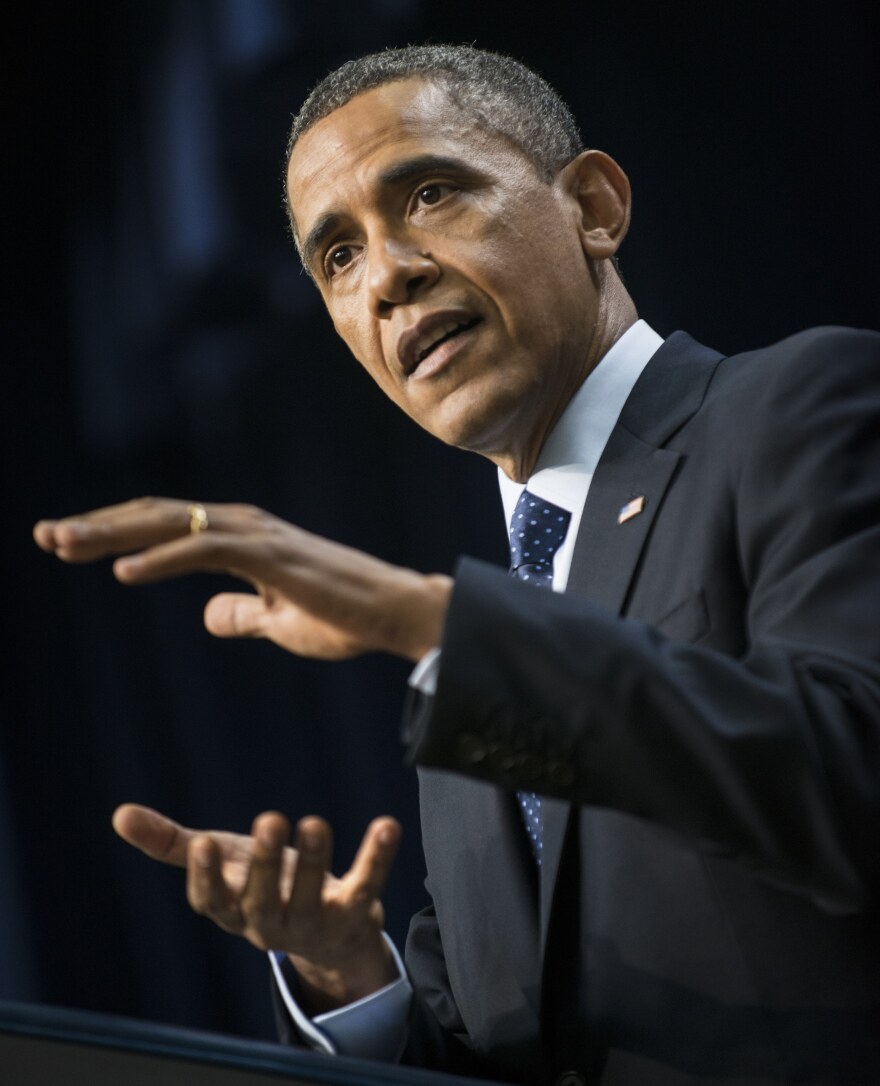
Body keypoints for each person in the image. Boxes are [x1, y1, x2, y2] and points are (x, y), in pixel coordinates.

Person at [33, 44, 880, 1086]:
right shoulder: (493, 635)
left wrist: (433, 625)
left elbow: (848, 773)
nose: (387, 274)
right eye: (337, 256)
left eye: (430, 193)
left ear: (594, 207)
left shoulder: (803, 406)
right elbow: (501, 1045)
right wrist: (351, 981)